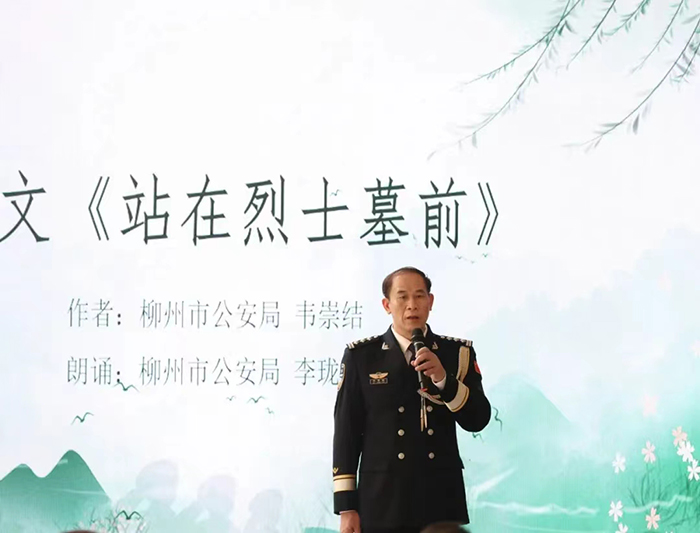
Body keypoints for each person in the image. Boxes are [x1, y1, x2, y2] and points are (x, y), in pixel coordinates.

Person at [332, 267, 491, 533]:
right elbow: (346, 435)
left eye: (419, 296)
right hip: (382, 499)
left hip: (439, 499)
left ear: (430, 301)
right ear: (387, 305)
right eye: (402, 297)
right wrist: (347, 508)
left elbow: (478, 419)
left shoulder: (456, 353)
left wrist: (443, 379)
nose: (411, 305)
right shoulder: (362, 357)